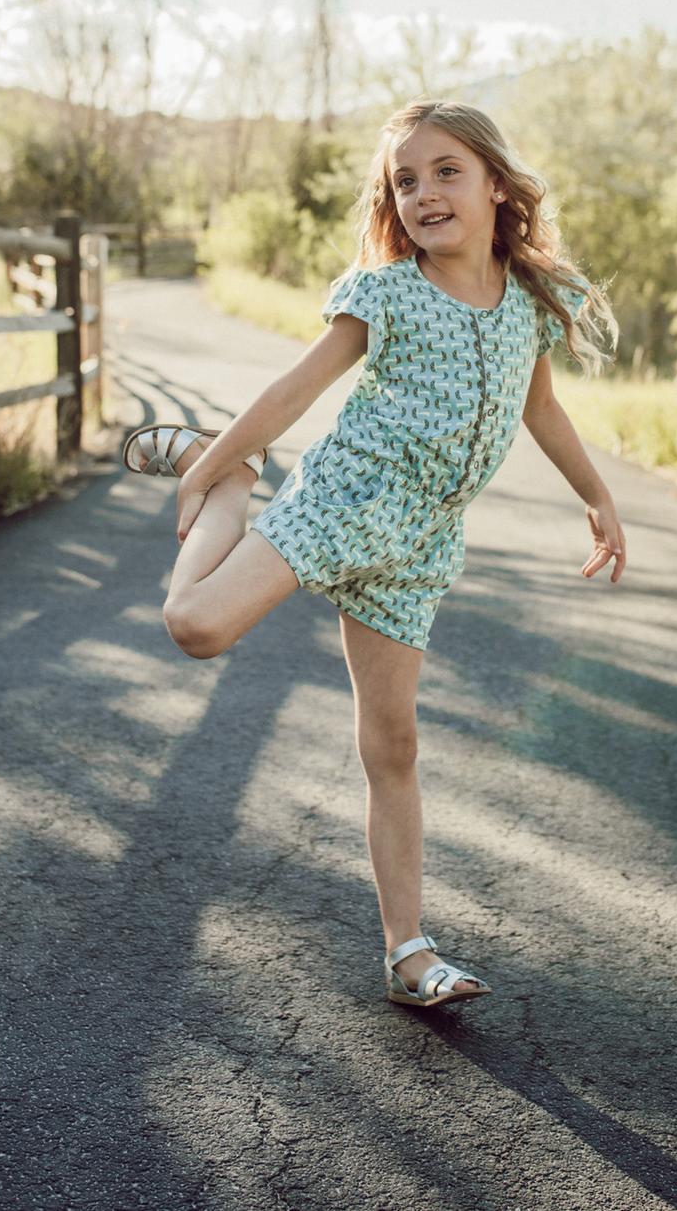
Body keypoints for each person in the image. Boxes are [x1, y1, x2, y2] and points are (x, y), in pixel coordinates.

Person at [123, 99, 626, 1008]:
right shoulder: (386, 293)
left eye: (446, 171)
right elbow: (295, 387)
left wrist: (596, 494)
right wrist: (211, 463)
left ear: (495, 186)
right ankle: (237, 483)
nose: (424, 192)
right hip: (345, 503)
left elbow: (540, 408)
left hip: (420, 546)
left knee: (392, 744)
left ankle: (410, 953)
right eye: (405, 179)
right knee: (193, 625)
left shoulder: (527, 301)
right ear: (391, 203)